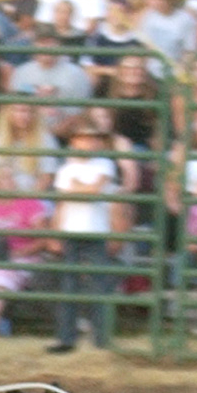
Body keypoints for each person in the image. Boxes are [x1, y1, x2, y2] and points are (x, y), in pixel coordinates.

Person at [48, 118, 120, 354]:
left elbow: (93, 191)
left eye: (93, 138)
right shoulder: (68, 169)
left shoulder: (104, 164)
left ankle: (100, 339)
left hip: (97, 231)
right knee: (69, 286)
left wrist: (78, 187)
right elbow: (63, 202)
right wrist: (55, 233)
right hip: (71, 230)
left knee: (98, 286)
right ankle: (67, 339)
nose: (89, 142)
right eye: (84, 137)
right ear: (74, 141)